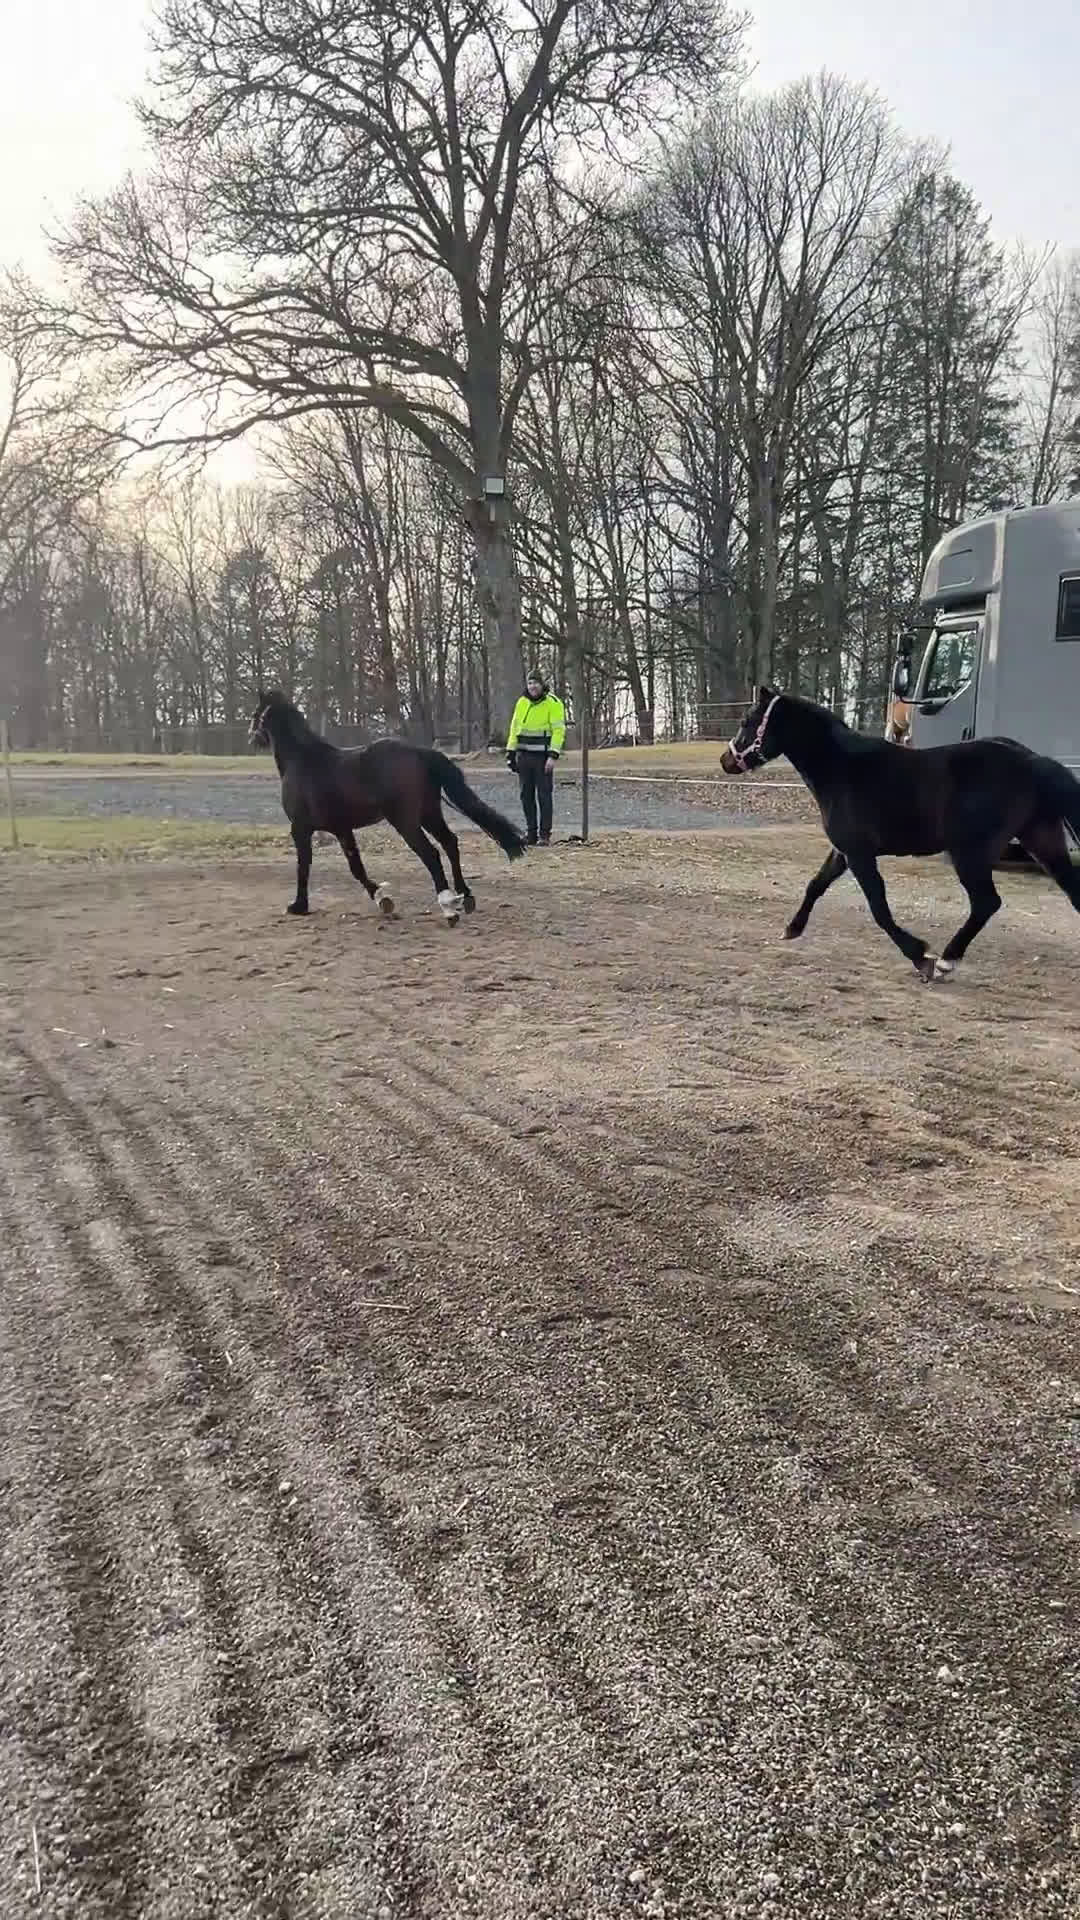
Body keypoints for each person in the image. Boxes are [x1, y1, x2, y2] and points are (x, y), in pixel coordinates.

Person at [506, 668, 566, 845]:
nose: (532, 686)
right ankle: (530, 833)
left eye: (536, 683)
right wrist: (510, 753)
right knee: (526, 796)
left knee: (544, 796)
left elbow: (559, 731)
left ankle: (544, 835)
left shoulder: (553, 703)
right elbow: (514, 728)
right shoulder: (521, 702)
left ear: (542, 684)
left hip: (543, 758)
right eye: (530, 682)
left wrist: (553, 755)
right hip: (524, 756)